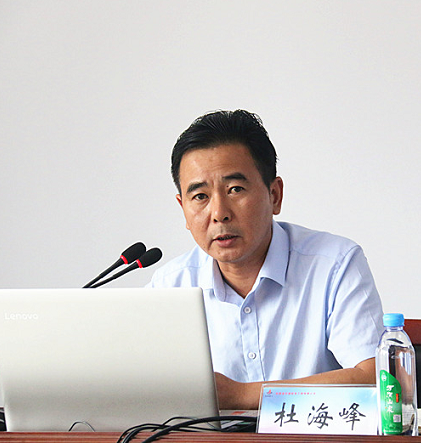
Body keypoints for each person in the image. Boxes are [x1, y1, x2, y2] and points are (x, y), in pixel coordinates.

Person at [148, 109, 384, 410]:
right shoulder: (169, 286)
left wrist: (242, 395)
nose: (219, 213)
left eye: (235, 189)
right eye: (200, 197)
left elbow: (377, 379)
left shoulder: (334, 265)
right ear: (183, 207)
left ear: (274, 195)